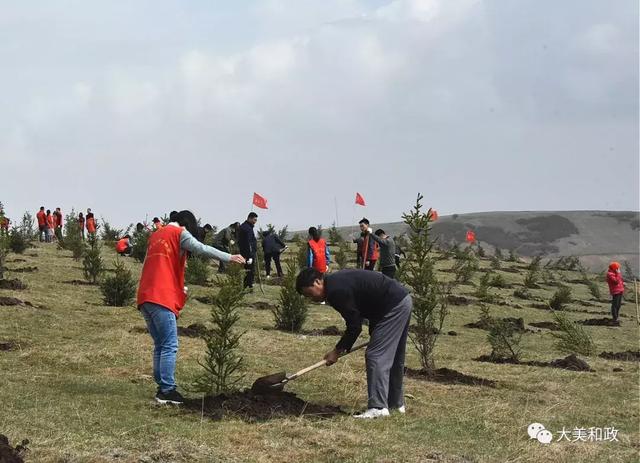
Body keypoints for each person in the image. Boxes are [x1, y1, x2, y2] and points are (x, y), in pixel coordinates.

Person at [137, 210, 245, 404]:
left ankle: (161, 386)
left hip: (145, 295)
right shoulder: (179, 233)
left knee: (160, 344)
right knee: (170, 344)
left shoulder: (155, 235)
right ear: (187, 225)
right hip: (162, 295)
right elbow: (201, 248)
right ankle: (167, 391)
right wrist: (229, 257)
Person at [296, 268, 412, 419]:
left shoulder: (336, 291)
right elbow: (367, 304)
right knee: (394, 356)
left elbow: (354, 326)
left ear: (318, 281)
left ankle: (378, 407)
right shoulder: (336, 282)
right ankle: (396, 404)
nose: (311, 298)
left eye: (309, 294)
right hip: (400, 300)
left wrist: (337, 351)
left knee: (375, 355)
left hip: (392, 306)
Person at [238, 213, 258, 288]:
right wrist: (250, 256)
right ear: (249, 218)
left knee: (247, 269)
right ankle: (248, 285)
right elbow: (248, 242)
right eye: (254, 220)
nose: (255, 221)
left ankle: (246, 284)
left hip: (245, 252)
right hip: (248, 253)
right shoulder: (247, 228)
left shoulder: (245, 226)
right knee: (250, 270)